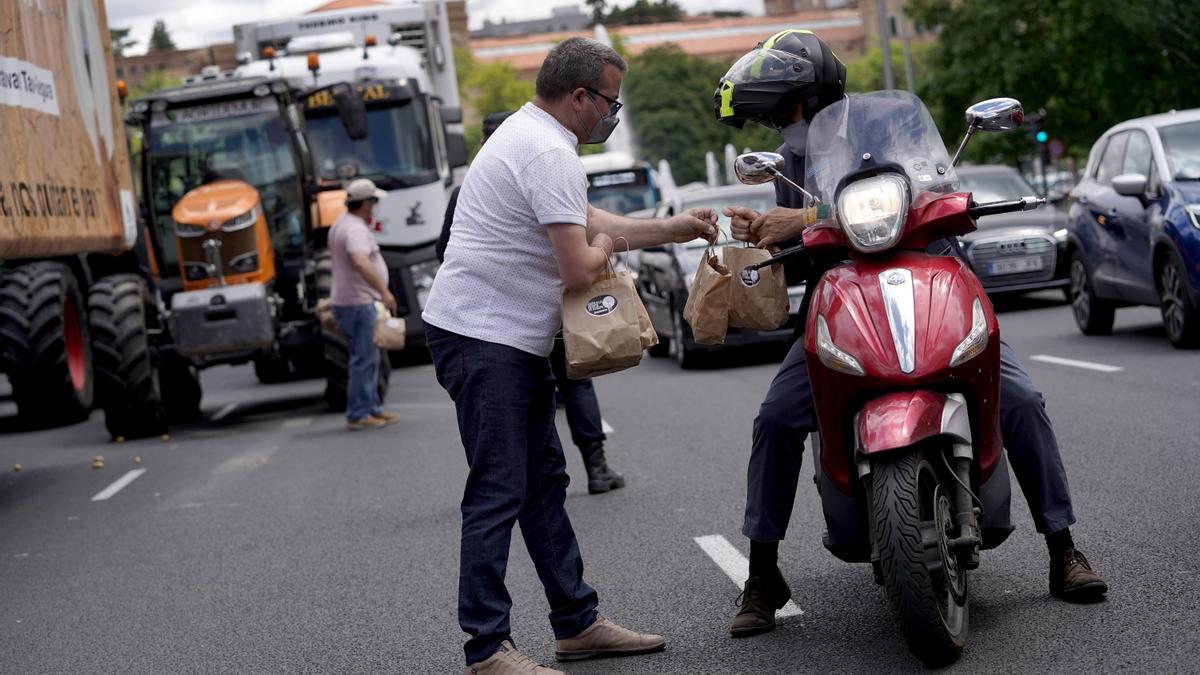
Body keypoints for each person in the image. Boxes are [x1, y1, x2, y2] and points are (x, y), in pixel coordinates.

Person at [713, 30, 1108, 639]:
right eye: (771, 116)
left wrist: (809, 215)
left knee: (1023, 400)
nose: (780, 125)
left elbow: (931, 186)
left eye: (785, 109)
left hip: (930, 275)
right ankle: (763, 573)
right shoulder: (789, 163)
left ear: (818, 94)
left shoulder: (891, 121)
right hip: (845, 297)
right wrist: (769, 233)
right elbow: (804, 251)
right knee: (776, 418)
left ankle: (1063, 548)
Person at [423, 37, 718, 674]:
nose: (613, 114)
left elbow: (585, 220)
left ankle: (576, 625)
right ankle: (486, 650)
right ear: (579, 96)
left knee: (543, 483)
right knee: (499, 489)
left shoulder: (532, 139)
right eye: (609, 101)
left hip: (497, 336)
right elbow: (582, 266)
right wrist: (609, 242)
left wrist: (672, 227)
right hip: (483, 338)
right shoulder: (547, 152)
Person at [438, 111, 627, 495]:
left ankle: (518, 476)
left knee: (522, 403)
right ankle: (596, 466)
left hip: (509, 316)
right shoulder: (544, 167)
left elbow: (446, 249)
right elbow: (584, 235)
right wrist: (602, 244)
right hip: (559, 309)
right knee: (576, 382)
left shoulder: (470, 189)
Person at [328, 178, 400, 431]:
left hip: (350, 301)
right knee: (364, 359)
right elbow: (360, 260)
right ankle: (359, 412)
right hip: (357, 302)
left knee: (368, 357)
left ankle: (371, 408)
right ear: (366, 203)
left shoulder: (342, 224)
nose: (375, 206)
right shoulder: (355, 230)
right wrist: (384, 291)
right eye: (373, 201)